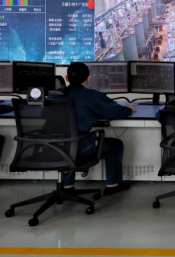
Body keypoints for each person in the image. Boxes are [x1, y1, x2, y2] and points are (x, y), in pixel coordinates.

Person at [55, 62, 136, 195]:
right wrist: (128, 110)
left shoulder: (53, 95)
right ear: (89, 78)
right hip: (81, 147)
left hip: (54, 147)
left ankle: (67, 186)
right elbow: (114, 112)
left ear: (67, 78)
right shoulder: (91, 95)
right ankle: (112, 185)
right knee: (115, 145)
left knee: (68, 141)